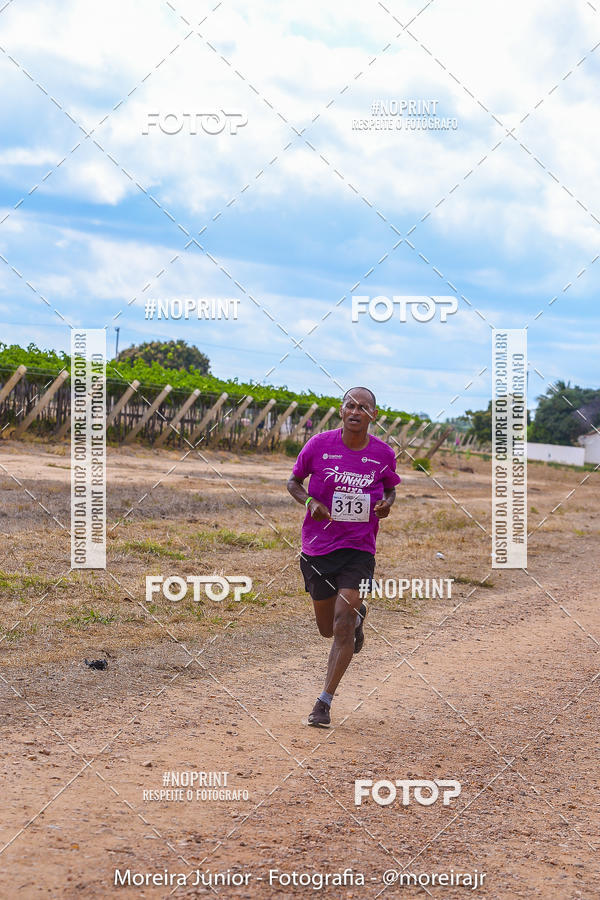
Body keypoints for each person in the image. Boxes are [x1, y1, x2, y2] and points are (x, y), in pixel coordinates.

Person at [287, 387, 401, 727]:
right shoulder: (318, 445)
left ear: (373, 415)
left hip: (359, 548)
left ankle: (323, 702)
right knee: (327, 628)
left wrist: (387, 504)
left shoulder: (383, 453)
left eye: (364, 407)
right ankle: (356, 619)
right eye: (350, 405)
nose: (356, 411)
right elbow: (293, 482)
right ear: (341, 410)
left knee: (343, 622)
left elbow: (391, 487)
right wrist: (311, 502)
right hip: (318, 548)